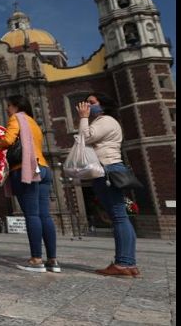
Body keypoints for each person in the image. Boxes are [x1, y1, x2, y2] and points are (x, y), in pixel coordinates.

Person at [77, 93, 139, 277]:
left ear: (102, 106)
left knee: (119, 217)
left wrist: (83, 118)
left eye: (91, 102)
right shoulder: (108, 121)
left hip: (107, 170)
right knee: (121, 217)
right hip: (110, 168)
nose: (87, 105)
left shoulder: (105, 120)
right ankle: (128, 263)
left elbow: (85, 138)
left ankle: (123, 264)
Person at [0, 95, 59, 273]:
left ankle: (36, 259)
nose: (7, 109)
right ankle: (52, 260)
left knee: (32, 215)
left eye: (8, 106)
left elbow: (8, 140)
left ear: (16, 106)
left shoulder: (16, 118)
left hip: (26, 167)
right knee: (44, 215)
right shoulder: (33, 122)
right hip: (43, 167)